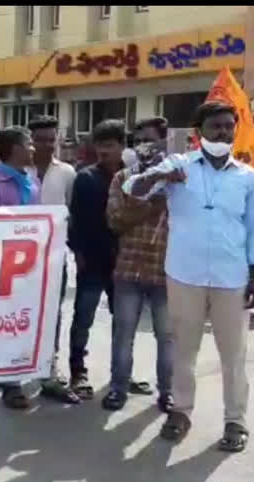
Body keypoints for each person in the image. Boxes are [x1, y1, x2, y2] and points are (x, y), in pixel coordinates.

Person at [123, 101, 254, 452]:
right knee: (184, 350)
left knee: (234, 354)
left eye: (229, 126)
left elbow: (253, 228)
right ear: (199, 133)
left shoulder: (247, 176)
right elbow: (131, 190)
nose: (223, 133)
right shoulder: (178, 166)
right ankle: (180, 411)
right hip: (185, 274)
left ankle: (235, 421)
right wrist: (158, 176)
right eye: (216, 127)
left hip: (232, 277)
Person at [104, 117, 174, 412]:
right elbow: (115, 222)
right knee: (124, 334)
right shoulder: (122, 179)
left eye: (151, 140)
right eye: (139, 141)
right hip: (129, 270)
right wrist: (149, 208)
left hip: (167, 271)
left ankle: (168, 393)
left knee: (168, 338)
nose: (145, 146)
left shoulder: (177, 181)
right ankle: (118, 388)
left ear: (164, 143)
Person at [0, 126, 40, 409]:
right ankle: (10, 382)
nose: (34, 149)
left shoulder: (32, 184)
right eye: (29, 144)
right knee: (4, 326)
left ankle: (18, 372)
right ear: (14, 149)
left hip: (28, 267)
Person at [25, 116, 81, 405]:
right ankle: (12, 369)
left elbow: (72, 214)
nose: (47, 144)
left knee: (52, 313)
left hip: (55, 255)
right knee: (19, 310)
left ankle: (49, 365)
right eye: (41, 139)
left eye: (51, 139)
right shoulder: (19, 169)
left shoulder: (68, 173)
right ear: (30, 141)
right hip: (19, 259)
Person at [67, 119, 124, 400]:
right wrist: (77, 254)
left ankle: (121, 374)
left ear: (122, 146)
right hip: (91, 260)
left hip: (124, 263)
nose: (104, 151)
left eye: (110, 145)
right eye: (100, 145)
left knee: (123, 322)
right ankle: (77, 371)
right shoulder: (85, 178)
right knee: (83, 319)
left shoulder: (133, 177)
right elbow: (74, 220)